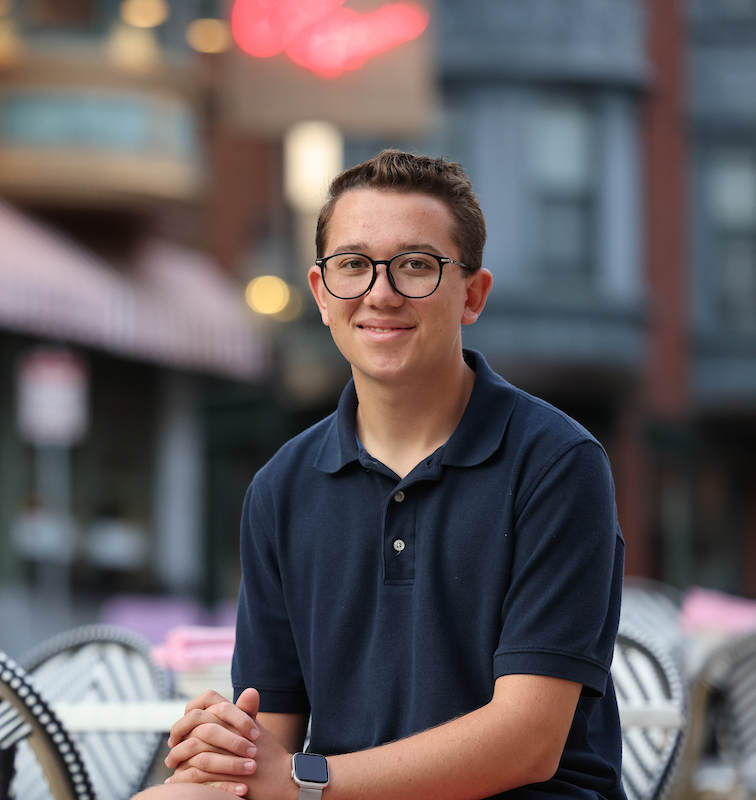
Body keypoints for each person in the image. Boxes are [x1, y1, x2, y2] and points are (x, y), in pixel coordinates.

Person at [144, 150, 625, 800]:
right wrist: (226, 746)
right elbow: (275, 742)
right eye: (353, 265)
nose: (380, 293)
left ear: (472, 295)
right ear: (321, 293)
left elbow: (528, 743)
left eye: (416, 266)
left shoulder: (557, 464)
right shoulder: (281, 488)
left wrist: (306, 779)